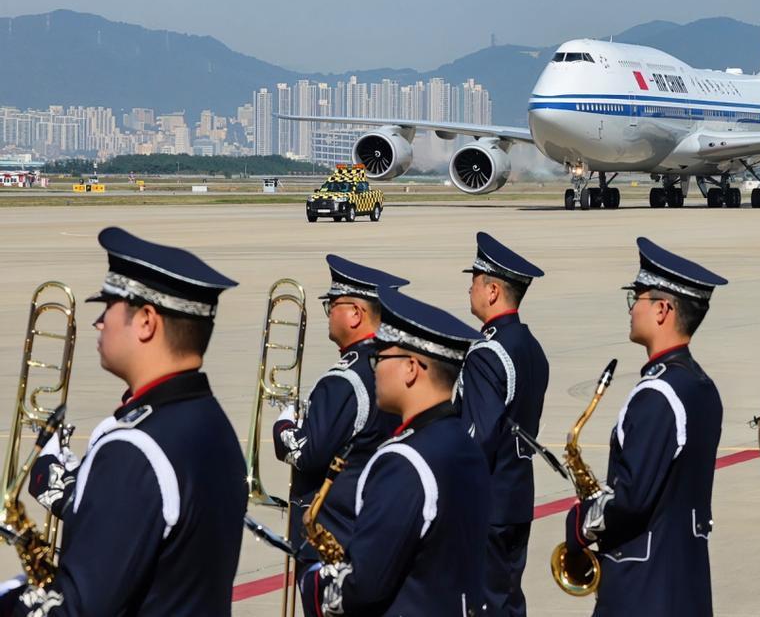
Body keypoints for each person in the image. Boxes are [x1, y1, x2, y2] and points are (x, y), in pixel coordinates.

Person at [6, 226, 246, 615]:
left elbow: (79, 609)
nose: (99, 322)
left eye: (109, 307)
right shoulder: (212, 423)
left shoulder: (135, 448)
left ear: (147, 321)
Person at [301, 286, 490, 616]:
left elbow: (365, 585)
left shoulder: (403, 462)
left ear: (411, 368)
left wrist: (315, 584)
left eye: (381, 357)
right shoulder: (462, 443)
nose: (374, 368)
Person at [564, 237, 726, 616]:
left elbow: (632, 499)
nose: (631, 309)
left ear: (662, 310)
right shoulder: (700, 386)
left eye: (637, 298)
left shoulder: (658, 394)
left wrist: (580, 523)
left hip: (644, 585)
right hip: (684, 578)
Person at [271, 255, 408, 565]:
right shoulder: (392, 363)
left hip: (334, 532)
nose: (328, 313)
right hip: (374, 518)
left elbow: (306, 453)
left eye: (332, 305)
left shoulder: (342, 381)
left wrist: (284, 424)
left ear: (356, 314)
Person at [458, 232, 549, 617]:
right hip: (516, 498)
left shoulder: (486, 353)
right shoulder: (531, 347)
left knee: (483, 606)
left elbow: (477, 440)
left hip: (486, 506)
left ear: (493, 290)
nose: (470, 288)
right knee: (507, 603)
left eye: (475, 280)